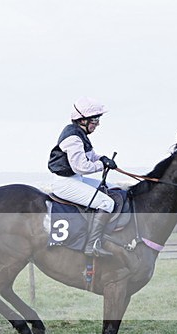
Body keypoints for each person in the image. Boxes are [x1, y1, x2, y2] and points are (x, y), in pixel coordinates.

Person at [48, 96, 118, 257]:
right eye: (95, 119)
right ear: (82, 120)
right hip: (65, 184)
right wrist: (102, 165)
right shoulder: (73, 137)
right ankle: (91, 245)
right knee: (107, 203)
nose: (98, 123)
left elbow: (91, 155)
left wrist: (103, 158)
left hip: (75, 179)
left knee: (112, 188)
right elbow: (81, 167)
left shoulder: (80, 134)